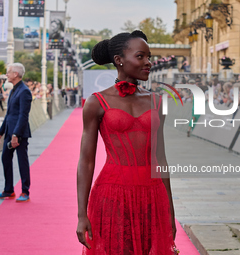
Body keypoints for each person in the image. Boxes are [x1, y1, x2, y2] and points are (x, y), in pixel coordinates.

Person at [76, 31, 177, 254]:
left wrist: (170, 210)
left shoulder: (157, 101)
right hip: (112, 196)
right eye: (141, 56)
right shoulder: (96, 102)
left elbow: (160, 158)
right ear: (119, 60)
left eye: (149, 57)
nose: (148, 63)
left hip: (152, 195)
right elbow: (86, 162)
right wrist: (82, 214)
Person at [0, 63, 32, 202]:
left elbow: (23, 115)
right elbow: (9, 114)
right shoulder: (13, 90)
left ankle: (25, 191)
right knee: (5, 158)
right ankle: (9, 189)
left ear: (16, 74)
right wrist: (0, 132)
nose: (6, 74)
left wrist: (16, 135)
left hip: (19, 133)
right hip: (10, 131)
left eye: (8, 72)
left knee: (22, 161)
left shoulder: (24, 91)